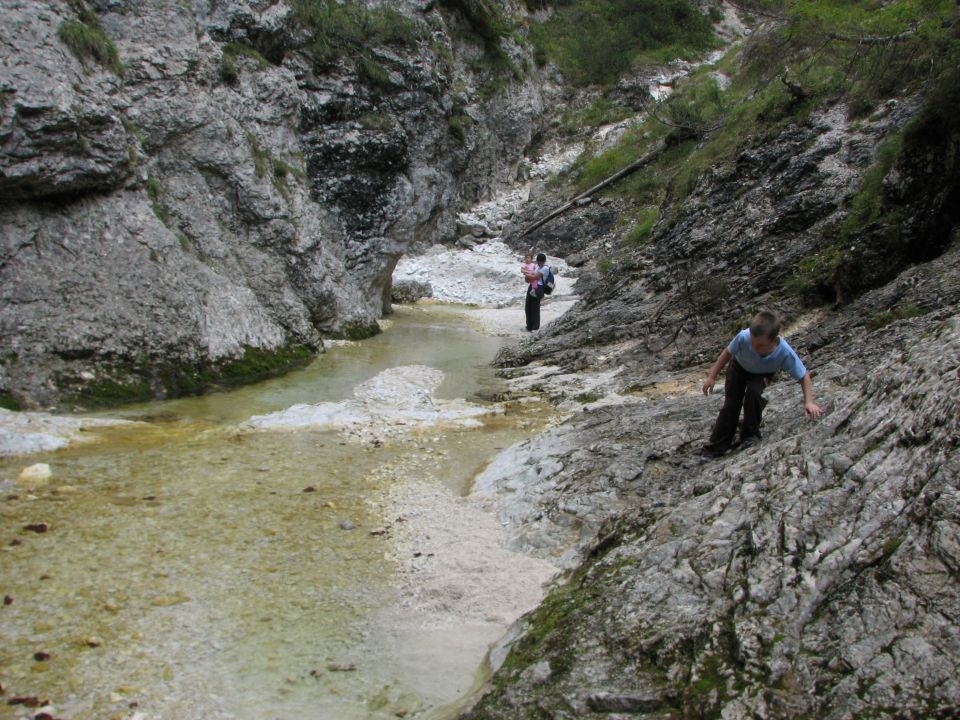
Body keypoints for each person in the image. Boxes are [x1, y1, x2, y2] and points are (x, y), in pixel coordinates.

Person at [701, 311, 823, 457]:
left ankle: (749, 434)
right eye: (752, 342)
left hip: (762, 374)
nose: (754, 347)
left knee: (755, 394)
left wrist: (809, 402)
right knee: (731, 405)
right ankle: (717, 445)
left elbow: (804, 377)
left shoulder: (784, 351)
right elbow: (727, 353)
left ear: (775, 340)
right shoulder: (743, 337)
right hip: (738, 368)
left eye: (760, 345)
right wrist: (711, 377)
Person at [523, 253, 550, 332]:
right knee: (528, 307)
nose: (539, 263)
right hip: (532, 286)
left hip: (539, 288)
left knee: (535, 308)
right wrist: (528, 277)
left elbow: (536, 277)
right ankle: (529, 326)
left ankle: (535, 327)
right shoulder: (537, 267)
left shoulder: (545, 268)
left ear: (544, 261)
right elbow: (532, 276)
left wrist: (527, 276)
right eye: (538, 261)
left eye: (541, 261)